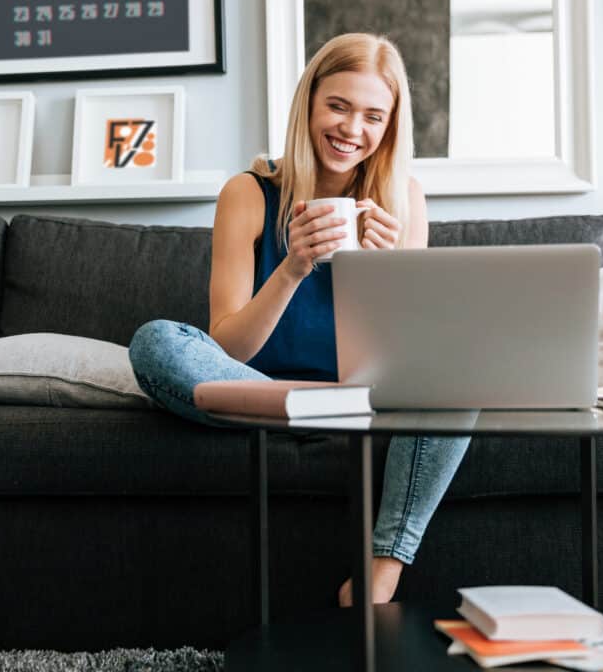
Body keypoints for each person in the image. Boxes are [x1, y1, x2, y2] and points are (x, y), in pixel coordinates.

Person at [128, 33, 470, 606]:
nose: (351, 129)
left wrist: (390, 274)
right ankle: (317, 407)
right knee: (155, 342)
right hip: (261, 387)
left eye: (372, 116)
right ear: (309, 103)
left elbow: (411, 362)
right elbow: (227, 349)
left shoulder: (404, 199)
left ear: (389, 126)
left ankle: (382, 570)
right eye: (337, 106)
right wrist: (293, 266)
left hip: (358, 394)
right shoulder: (248, 193)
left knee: (460, 366)